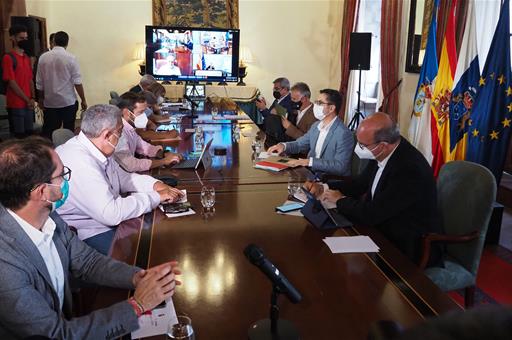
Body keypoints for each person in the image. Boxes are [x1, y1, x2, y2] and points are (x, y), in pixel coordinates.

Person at [0, 137, 181, 339]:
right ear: (42, 192)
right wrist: (137, 306)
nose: (67, 180)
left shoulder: (49, 216)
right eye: (62, 175)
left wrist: (137, 276)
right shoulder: (5, 264)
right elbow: (57, 335)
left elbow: (88, 262)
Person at [305, 112, 443, 266]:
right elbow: (359, 184)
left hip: (406, 243)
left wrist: (340, 201)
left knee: (337, 265)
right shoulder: (383, 151)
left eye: (363, 145)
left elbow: (372, 213)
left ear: (383, 145)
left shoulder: (409, 169)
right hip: (380, 226)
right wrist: (324, 187)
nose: (359, 148)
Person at [55, 104, 183, 255]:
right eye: (120, 133)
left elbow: (122, 177)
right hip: (88, 231)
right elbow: (112, 213)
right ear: (107, 135)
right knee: (149, 248)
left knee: (155, 231)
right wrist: (155, 197)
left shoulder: (95, 147)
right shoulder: (80, 162)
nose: (121, 137)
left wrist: (155, 185)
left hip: (103, 221)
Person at [268, 89, 354, 176]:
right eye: (316, 102)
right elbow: (299, 144)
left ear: (331, 108)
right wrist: (284, 146)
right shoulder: (316, 125)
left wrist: (309, 162)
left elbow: (340, 166)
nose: (315, 105)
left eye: (319, 103)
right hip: (311, 174)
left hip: (329, 180)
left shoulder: (343, 133)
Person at [36, 31, 87, 138]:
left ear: (53, 41)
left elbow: (39, 82)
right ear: (67, 43)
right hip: (67, 101)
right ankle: (67, 151)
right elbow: (77, 82)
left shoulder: (43, 58)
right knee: (68, 129)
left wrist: (40, 99)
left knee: (49, 130)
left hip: (50, 102)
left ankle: (49, 151)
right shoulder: (71, 58)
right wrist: (83, 99)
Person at [115, 92, 182, 172]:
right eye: (141, 112)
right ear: (127, 113)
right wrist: (163, 161)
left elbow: (144, 147)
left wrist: (165, 153)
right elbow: (131, 165)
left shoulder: (130, 128)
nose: (144, 116)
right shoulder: (118, 132)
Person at [1, 25, 35, 138]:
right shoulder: (8, 58)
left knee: (30, 134)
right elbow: (11, 82)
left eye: (26, 38)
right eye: (21, 38)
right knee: (19, 137)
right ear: (13, 38)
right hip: (16, 103)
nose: (24, 41)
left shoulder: (26, 57)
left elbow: (30, 79)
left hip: (28, 103)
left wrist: (32, 98)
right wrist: (27, 99)